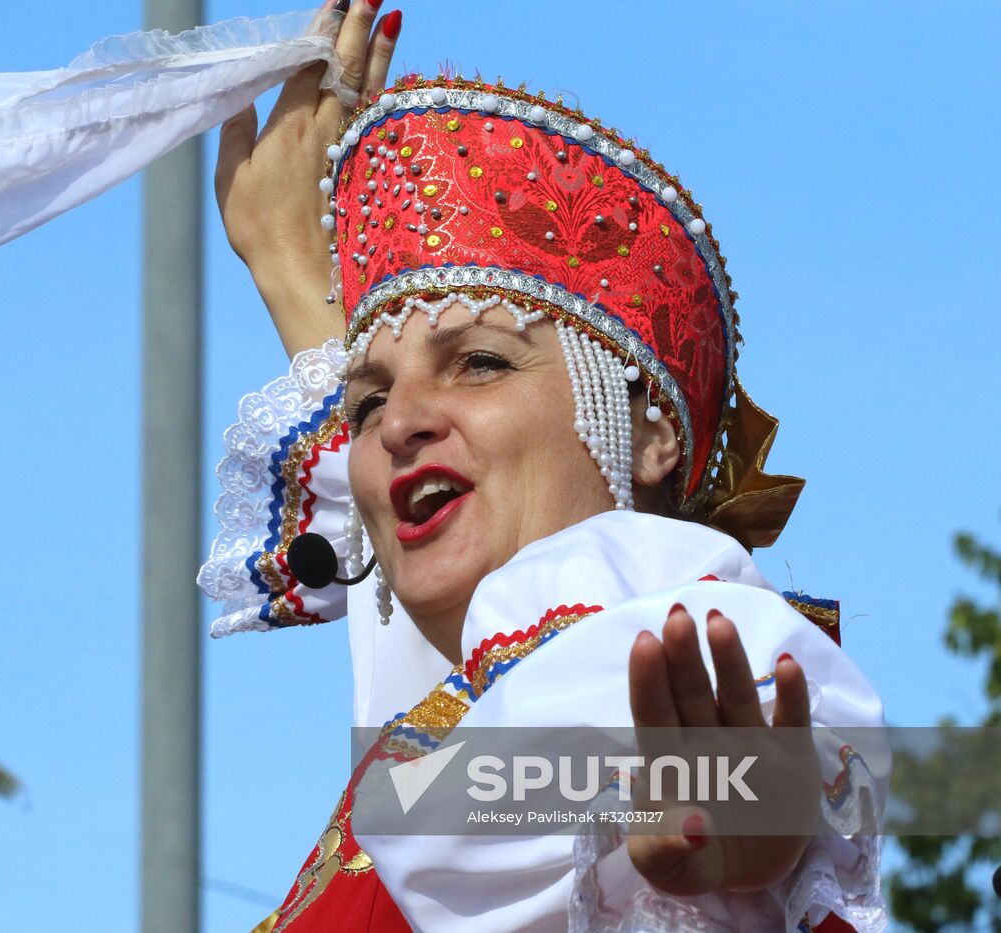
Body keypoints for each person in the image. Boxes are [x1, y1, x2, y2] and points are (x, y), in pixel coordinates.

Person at [198, 2, 886, 930]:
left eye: (481, 361)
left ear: (650, 432)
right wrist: (286, 261)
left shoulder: (666, 647)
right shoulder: (454, 731)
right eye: (366, 406)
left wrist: (728, 871)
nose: (395, 423)